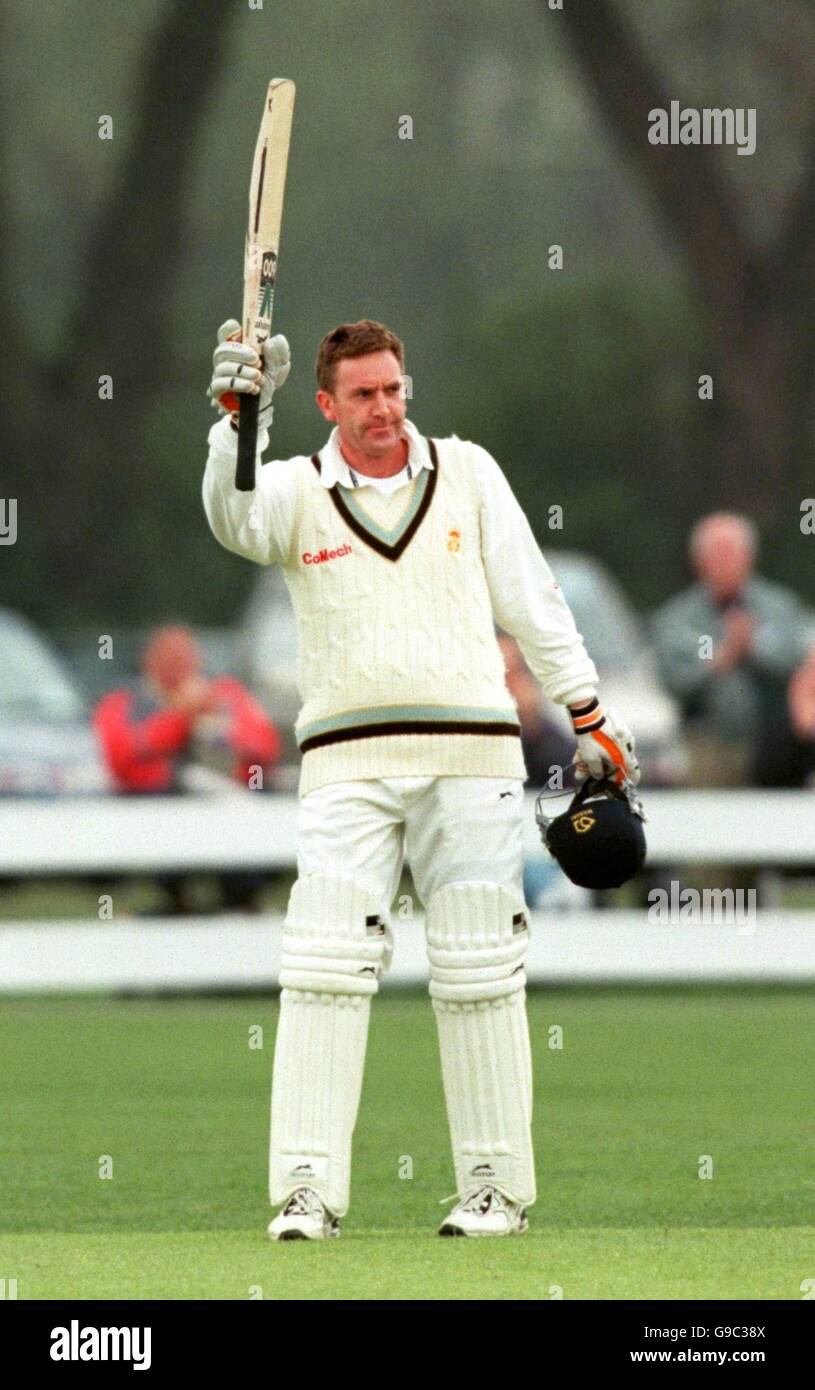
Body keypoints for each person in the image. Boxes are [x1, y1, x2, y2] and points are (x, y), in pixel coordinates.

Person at [202, 317, 639, 1238]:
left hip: (472, 751)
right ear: (326, 403)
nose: (384, 408)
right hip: (346, 762)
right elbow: (233, 521)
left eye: (394, 388)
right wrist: (238, 421)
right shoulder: (293, 488)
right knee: (323, 964)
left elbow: (531, 597)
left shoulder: (468, 473)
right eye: (362, 394)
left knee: (480, 966)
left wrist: (588, 714)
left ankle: (493, 1189)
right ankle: (306, 1191)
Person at [93, 625, 282, 912]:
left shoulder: (227, 694)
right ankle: (173, 908)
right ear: (148, 661)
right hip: (156, 819)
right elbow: (124, 763)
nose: (176, 665)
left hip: (228, 815)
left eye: (183, 656)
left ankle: (239, 904)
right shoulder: (121, 703)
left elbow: (264, 749)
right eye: (167, 656)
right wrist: (180, 718)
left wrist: (217, 727)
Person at [651, 514, 813, 787]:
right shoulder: (678, 618)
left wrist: (753, 648)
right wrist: (719, 660)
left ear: (749, 558)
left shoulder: (780, 608)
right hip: (707, 742)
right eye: (717, 554)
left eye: (732, 554)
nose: (725, 563)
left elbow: (802, 664)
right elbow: (672, 680)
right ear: (699, 562)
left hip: (775, 745)